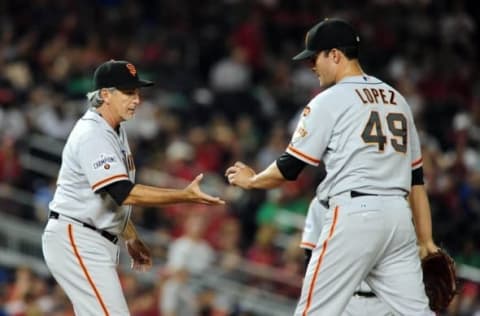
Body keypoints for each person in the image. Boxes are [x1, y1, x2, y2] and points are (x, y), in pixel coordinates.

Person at [225, 18, 438, 315]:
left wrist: (252, 180)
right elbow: (416, 181)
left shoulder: (329, 100)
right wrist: (426, 240)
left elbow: (290, 168)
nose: (312, 66)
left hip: (355, 215)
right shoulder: (398, 100)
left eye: (315, 57)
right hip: (399, 221)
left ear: (335, 55)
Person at [42, 59, 224, 316]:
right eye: (128, 92)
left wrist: (130, 235)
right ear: (105, 95)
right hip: (77, 236)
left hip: (90, 235)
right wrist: (184, 195)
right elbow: (123, 192)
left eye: (137, 92)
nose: (137, 99)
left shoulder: (114, 130)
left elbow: (109, 197)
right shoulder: (93, 133)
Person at [301, 198, 394, 316]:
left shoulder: (394, 199)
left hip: (384, 302)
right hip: (340, 300)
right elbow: (310, 253)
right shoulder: (321, 202)